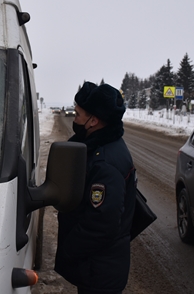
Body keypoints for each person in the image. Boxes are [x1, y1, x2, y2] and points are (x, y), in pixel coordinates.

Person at [54, 81, 136, 294]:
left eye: (79, 114)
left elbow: (102, 224)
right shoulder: (98, 146)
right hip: (96, 266)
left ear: (94, 121)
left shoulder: (105, 163)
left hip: (99, 272)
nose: (75, 119)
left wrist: (69, 249)